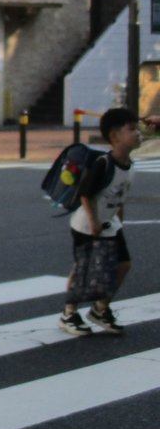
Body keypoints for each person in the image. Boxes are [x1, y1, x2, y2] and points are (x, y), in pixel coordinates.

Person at [58, 107, 153, 335]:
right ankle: (68, 314)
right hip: (86, 225)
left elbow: (119, 198)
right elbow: (85, 194)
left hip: (109, 223)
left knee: (123, 265)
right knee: (83, 269)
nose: (138, 134)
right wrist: (93, 222)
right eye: (132, 130)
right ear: (114, 136)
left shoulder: (130, 165)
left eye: (137, 129)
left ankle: (100, 309)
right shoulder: (103, 163)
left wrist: (119, 220)